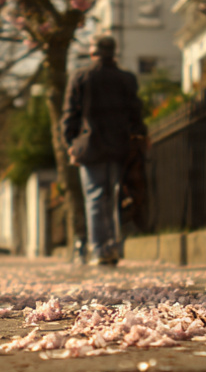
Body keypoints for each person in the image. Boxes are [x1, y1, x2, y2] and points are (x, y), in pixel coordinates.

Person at [62, 36, 146, 266]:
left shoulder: (81, 76)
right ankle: (114, 246)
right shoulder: (126, 78)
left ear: (92, 52)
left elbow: (71, 114)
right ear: (113, 52)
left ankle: (100, 249)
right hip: (120, 145)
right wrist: (139, 135)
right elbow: (135, 112)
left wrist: (71, 143)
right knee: (116, 196)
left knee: (95, 197)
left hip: (90, 146)